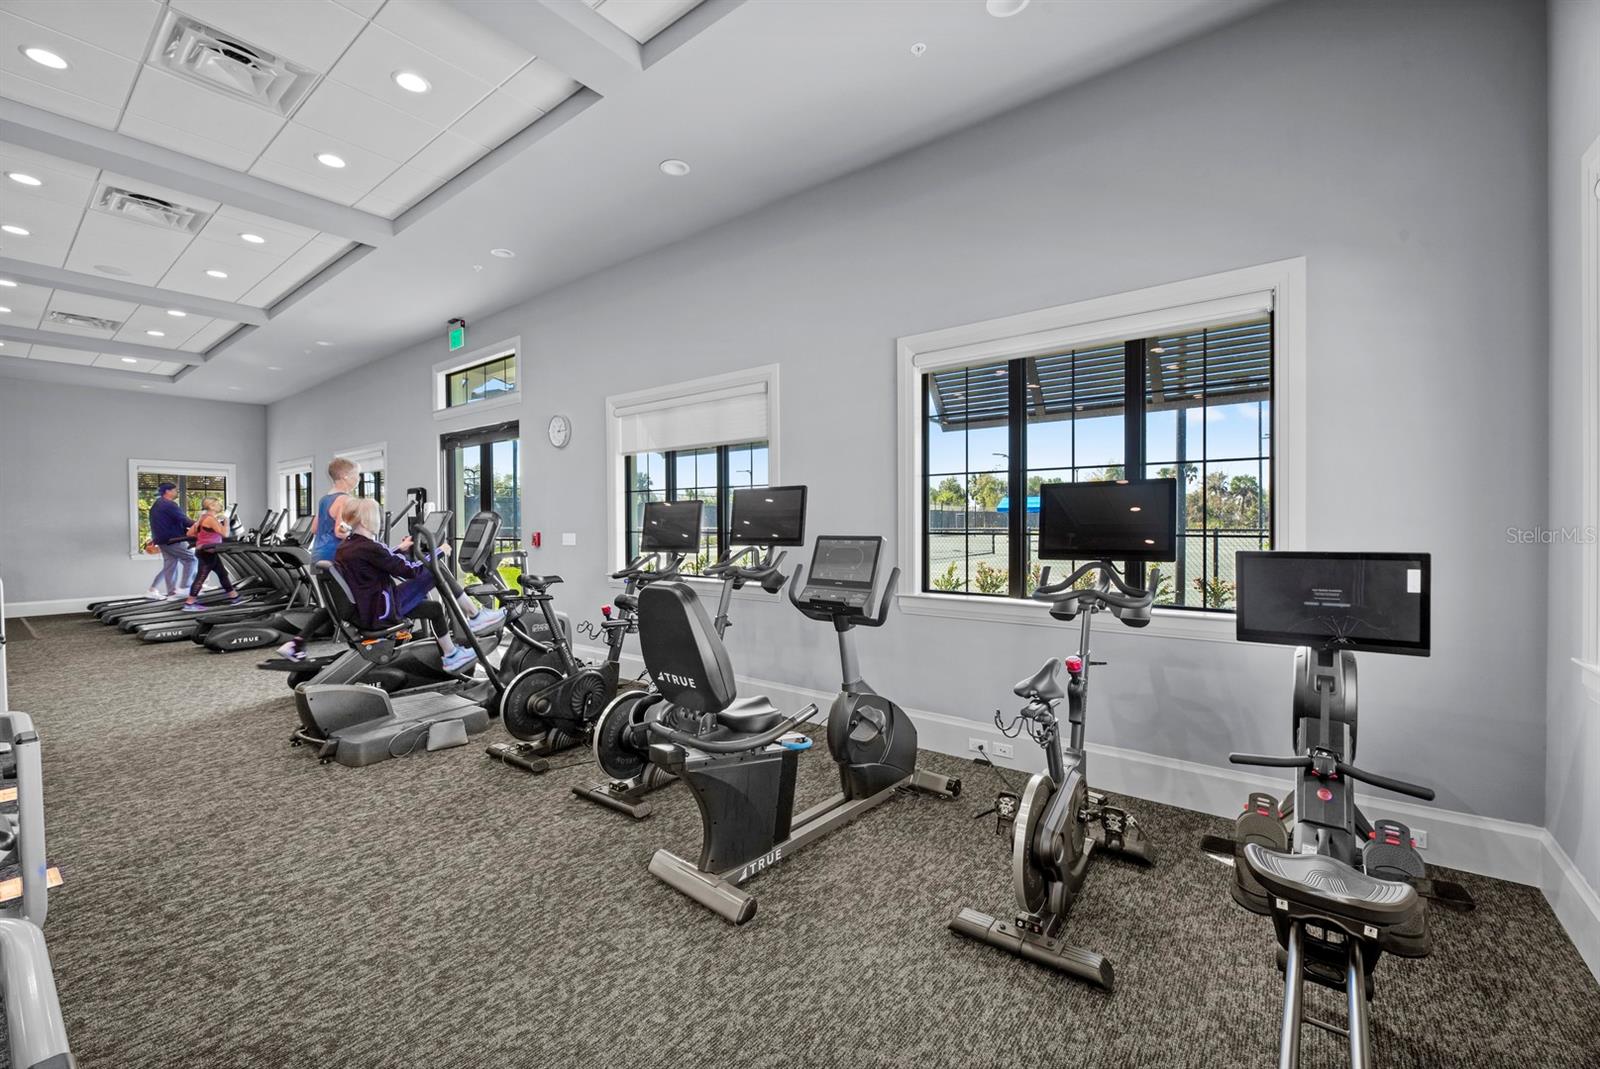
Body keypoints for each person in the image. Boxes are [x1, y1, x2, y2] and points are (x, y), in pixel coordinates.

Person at [333, 498, 504, 673]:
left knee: (434, 609)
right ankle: (475, 616)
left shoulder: (347, 546)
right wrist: (439, 552)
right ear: (367, 520)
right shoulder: (371, 548)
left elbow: (375, 560)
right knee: (436, 570)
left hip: (371, 609)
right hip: (383, 610)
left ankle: (451, 655)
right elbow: (411, 571)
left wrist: (399, 549)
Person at [276, 457, 359, 662]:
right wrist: (361, 532)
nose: (358, 478)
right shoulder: (345, 500)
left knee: (333, 604)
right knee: (354, 600)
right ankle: (363, 644)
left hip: (319, 554)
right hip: (337, 556)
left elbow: (314, 529)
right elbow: (340, 531)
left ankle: (297, 643)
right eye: (356, 475)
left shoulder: (324, 499)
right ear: (345, 476)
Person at [180, 499, 241, 611]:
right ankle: (189, 603)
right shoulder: (210, 519)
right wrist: (226, 521)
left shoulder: (203, 518)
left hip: (208, 551)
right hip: (207, 552)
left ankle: (234, 597)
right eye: (217, 504)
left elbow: (189, 533)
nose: (220, 505)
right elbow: (225, 534)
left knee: (222, 574)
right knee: (201, 578)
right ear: (211, 506)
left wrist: (205, 535)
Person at [147, 482, 196, 599]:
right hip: (172, 540)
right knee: (191, 559)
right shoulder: (169, 504)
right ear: (167, 491)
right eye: (174, 490)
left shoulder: (157, 505)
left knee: (170, 565)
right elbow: (184, 520)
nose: (176, 492)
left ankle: (172, 593)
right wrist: (203, 524)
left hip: (162, 540)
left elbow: (173, 522)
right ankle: (185, 587)